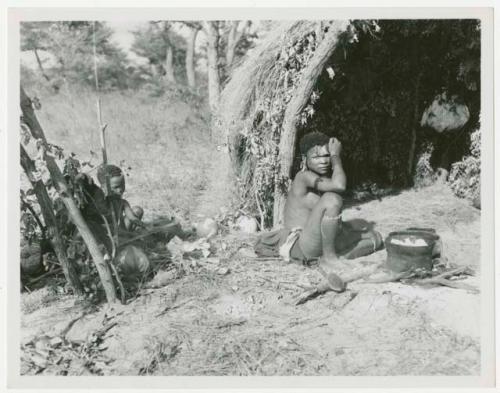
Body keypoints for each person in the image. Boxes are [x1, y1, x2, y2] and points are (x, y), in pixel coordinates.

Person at [255, 132, 383, 291]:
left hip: (317, 242)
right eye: (316, 157)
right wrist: (336, 156)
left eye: (327, 156)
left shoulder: (321, 180)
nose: (323, 161)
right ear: (304, 159)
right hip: (301, 244)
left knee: (375, 238)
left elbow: (330, 220)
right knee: (332, 199)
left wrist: (356, 232)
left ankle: (328, 257)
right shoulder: (302, 177)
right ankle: (329, 257)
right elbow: (339, 185)